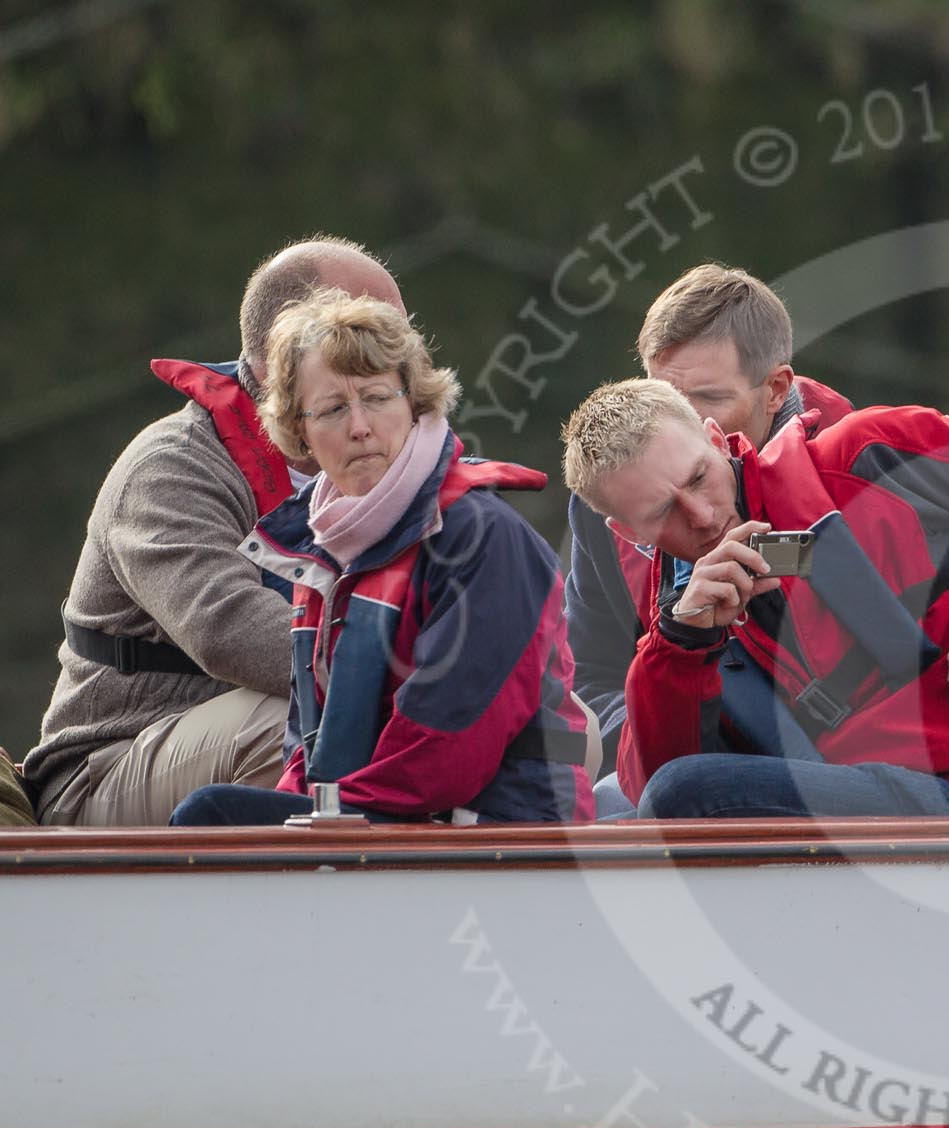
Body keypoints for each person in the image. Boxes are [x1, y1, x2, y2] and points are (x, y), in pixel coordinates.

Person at [561, 378, 949, 818]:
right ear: (627, 534)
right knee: (630, 805)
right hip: (860, 812)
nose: (702, 516)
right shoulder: (676, 621)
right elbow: (655, 791)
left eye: (699, 477)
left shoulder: (861, 453)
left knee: (685, 791)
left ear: (713, 438)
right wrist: (683, 642)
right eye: (662, 512)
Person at [170, 292, 592, 825]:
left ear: (415, 404)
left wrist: (316, 818)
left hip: (500, 834)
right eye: (332, 409)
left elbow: (447, 752)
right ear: (299, 433)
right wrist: (306, 812)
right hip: (380, 825)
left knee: (212, 816)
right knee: (221, 821)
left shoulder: (480, 535)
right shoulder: (320, 548)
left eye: (376, 397)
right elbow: (306, 746)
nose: (360, 426)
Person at [24, 236, 404, 826]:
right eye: (372, 334)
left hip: (317, 709)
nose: (402, 358)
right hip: (105, 768)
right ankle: (325, 909)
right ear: (289, 345)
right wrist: (417, 670)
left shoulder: (390, 460)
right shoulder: (171, 467)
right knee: (298, 719)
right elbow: (226, 626)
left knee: (560, 726)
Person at [566, 263, 852, 816]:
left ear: (776, 389)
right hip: (679, 768)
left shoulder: (859, 463)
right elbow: (592, 677)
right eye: (663, 395)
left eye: (707, 398)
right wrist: (674, 725)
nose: (680, 421)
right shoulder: (613, 498)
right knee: (591, 812)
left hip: (856, 766)